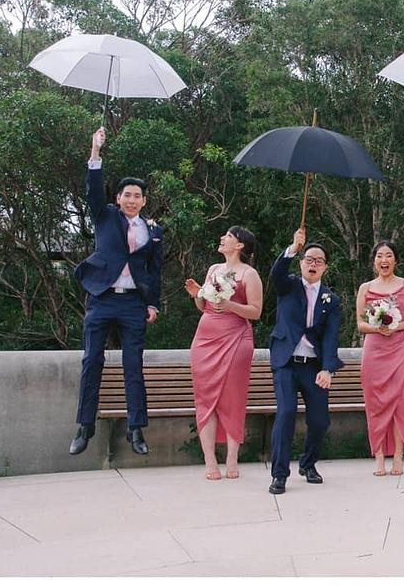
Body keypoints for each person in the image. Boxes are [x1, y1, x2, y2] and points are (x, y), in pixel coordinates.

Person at [69, 127, 162, 457]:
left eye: (138, 196)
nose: (132, 200)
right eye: (127, 195)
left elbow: (154, 271)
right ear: (118, 198)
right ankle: (85, 426)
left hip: (133, 304)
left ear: (144, 200)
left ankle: (136, 430)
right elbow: (94, 189)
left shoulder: (153, 230)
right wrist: (95, 151)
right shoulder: (105, 215)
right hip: (102, 298)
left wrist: (153, 304)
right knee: (92, 359)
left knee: (133, 366)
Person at [267, 227, 345, 495]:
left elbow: (332, 337)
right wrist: (292, 248)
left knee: (320, 420)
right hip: (286, 363)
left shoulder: (331, 300)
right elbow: (275, 273)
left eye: (319, 261)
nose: (313, 264)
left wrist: (327, 368)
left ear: (325, 267)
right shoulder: (287, 286)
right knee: (286, 413)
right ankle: (279, 475)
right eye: (309, 260)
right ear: (301, 263)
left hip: (313, 366)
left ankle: (308, 464)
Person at [185, 227, 262, 480]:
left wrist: (229, 304)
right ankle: (209, 459)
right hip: (206, 337)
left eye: (228, 236)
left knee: (233, 398)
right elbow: (203, 305)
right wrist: (198, 294)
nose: (223, 238)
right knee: (204, 398)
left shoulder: (249, 274)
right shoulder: (213, 270)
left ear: (240, 245)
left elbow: (255, 311)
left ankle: (231, 458)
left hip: (236, 337)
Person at [354, 241, 404, 476]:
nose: (384, 260)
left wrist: (395, 326)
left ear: (395, 260)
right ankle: (379, 455)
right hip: (374, 351)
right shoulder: (365, 288)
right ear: (374, 261)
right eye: (380, 255)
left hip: (401, 348)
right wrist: (378, 328)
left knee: (401, 402)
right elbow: (361, 323)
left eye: (389, 255)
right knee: (375, 404)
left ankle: (399, 455)